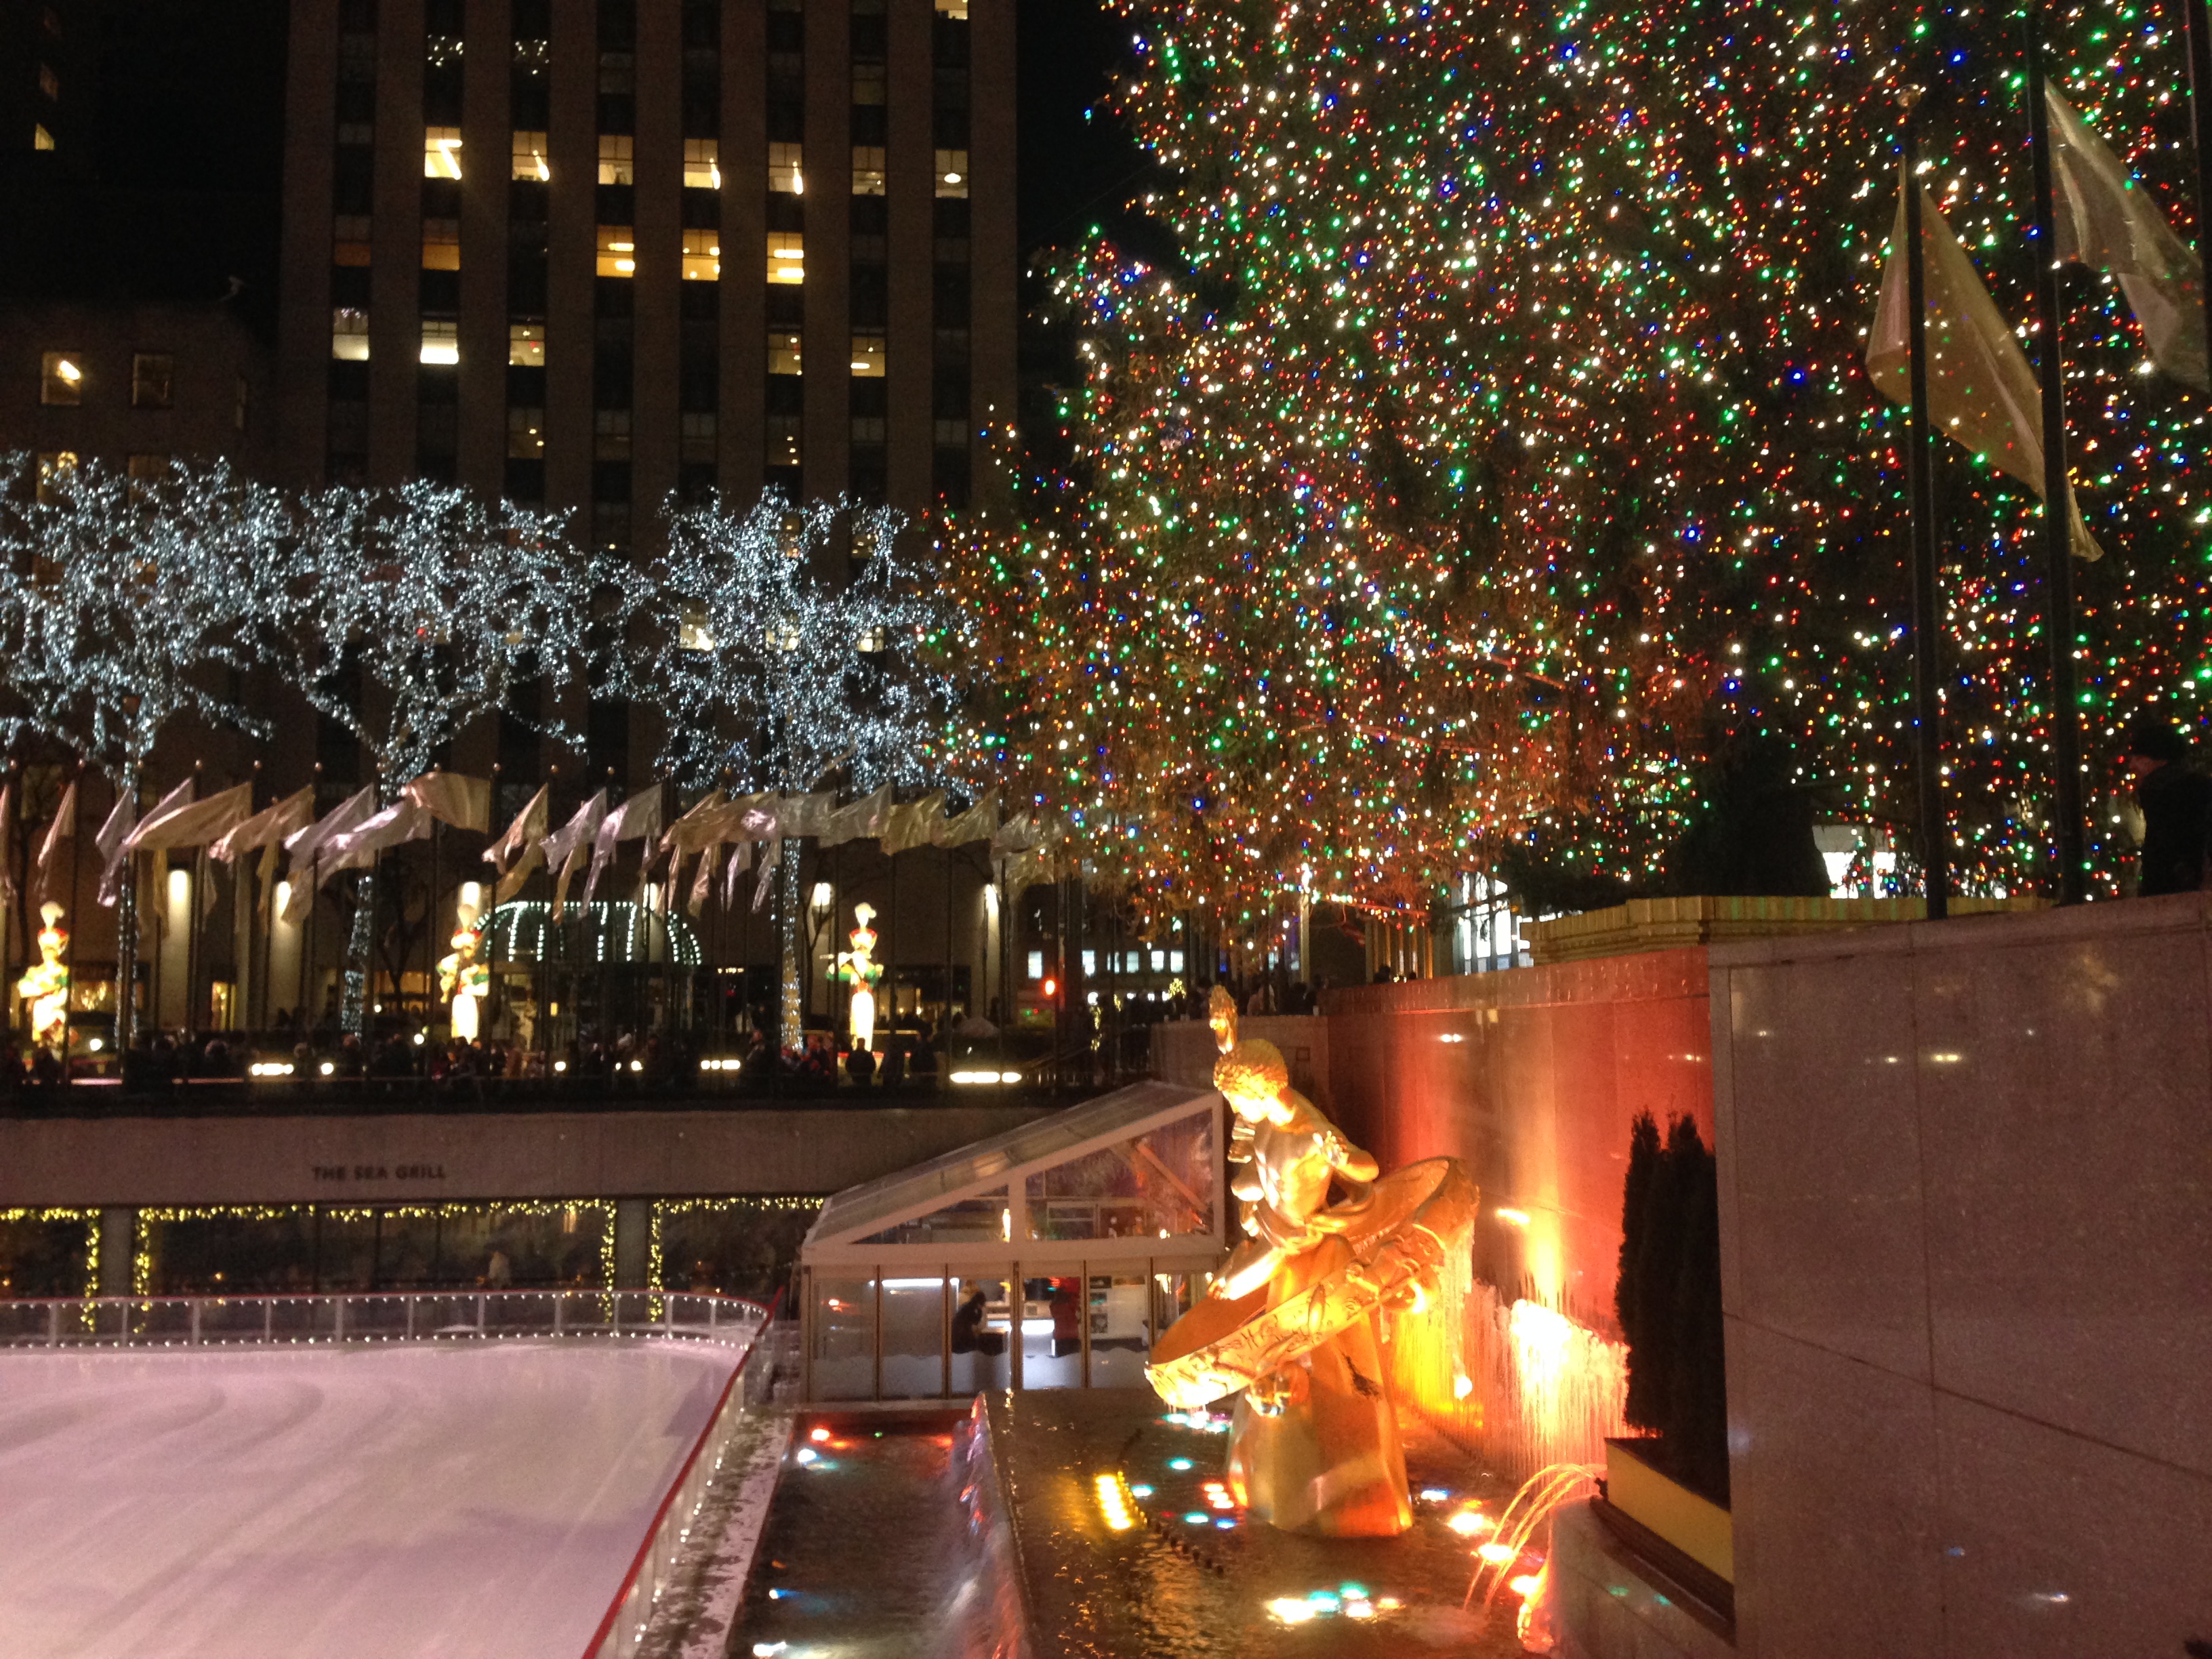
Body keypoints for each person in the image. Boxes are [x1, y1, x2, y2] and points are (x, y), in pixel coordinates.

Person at [2128, 713, 2212, 896]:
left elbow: (2164, 858)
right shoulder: (2192, 790)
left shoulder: (2164, 795)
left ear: (2157, 760)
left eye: (2138, 758)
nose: (2132, 765)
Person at [950, 1286, 1005, 1357]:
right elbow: (976, 1321)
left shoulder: (967, 1307)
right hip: (962, 1340)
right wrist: (980, 1310)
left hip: (958, 1340)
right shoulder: (972, 1309)